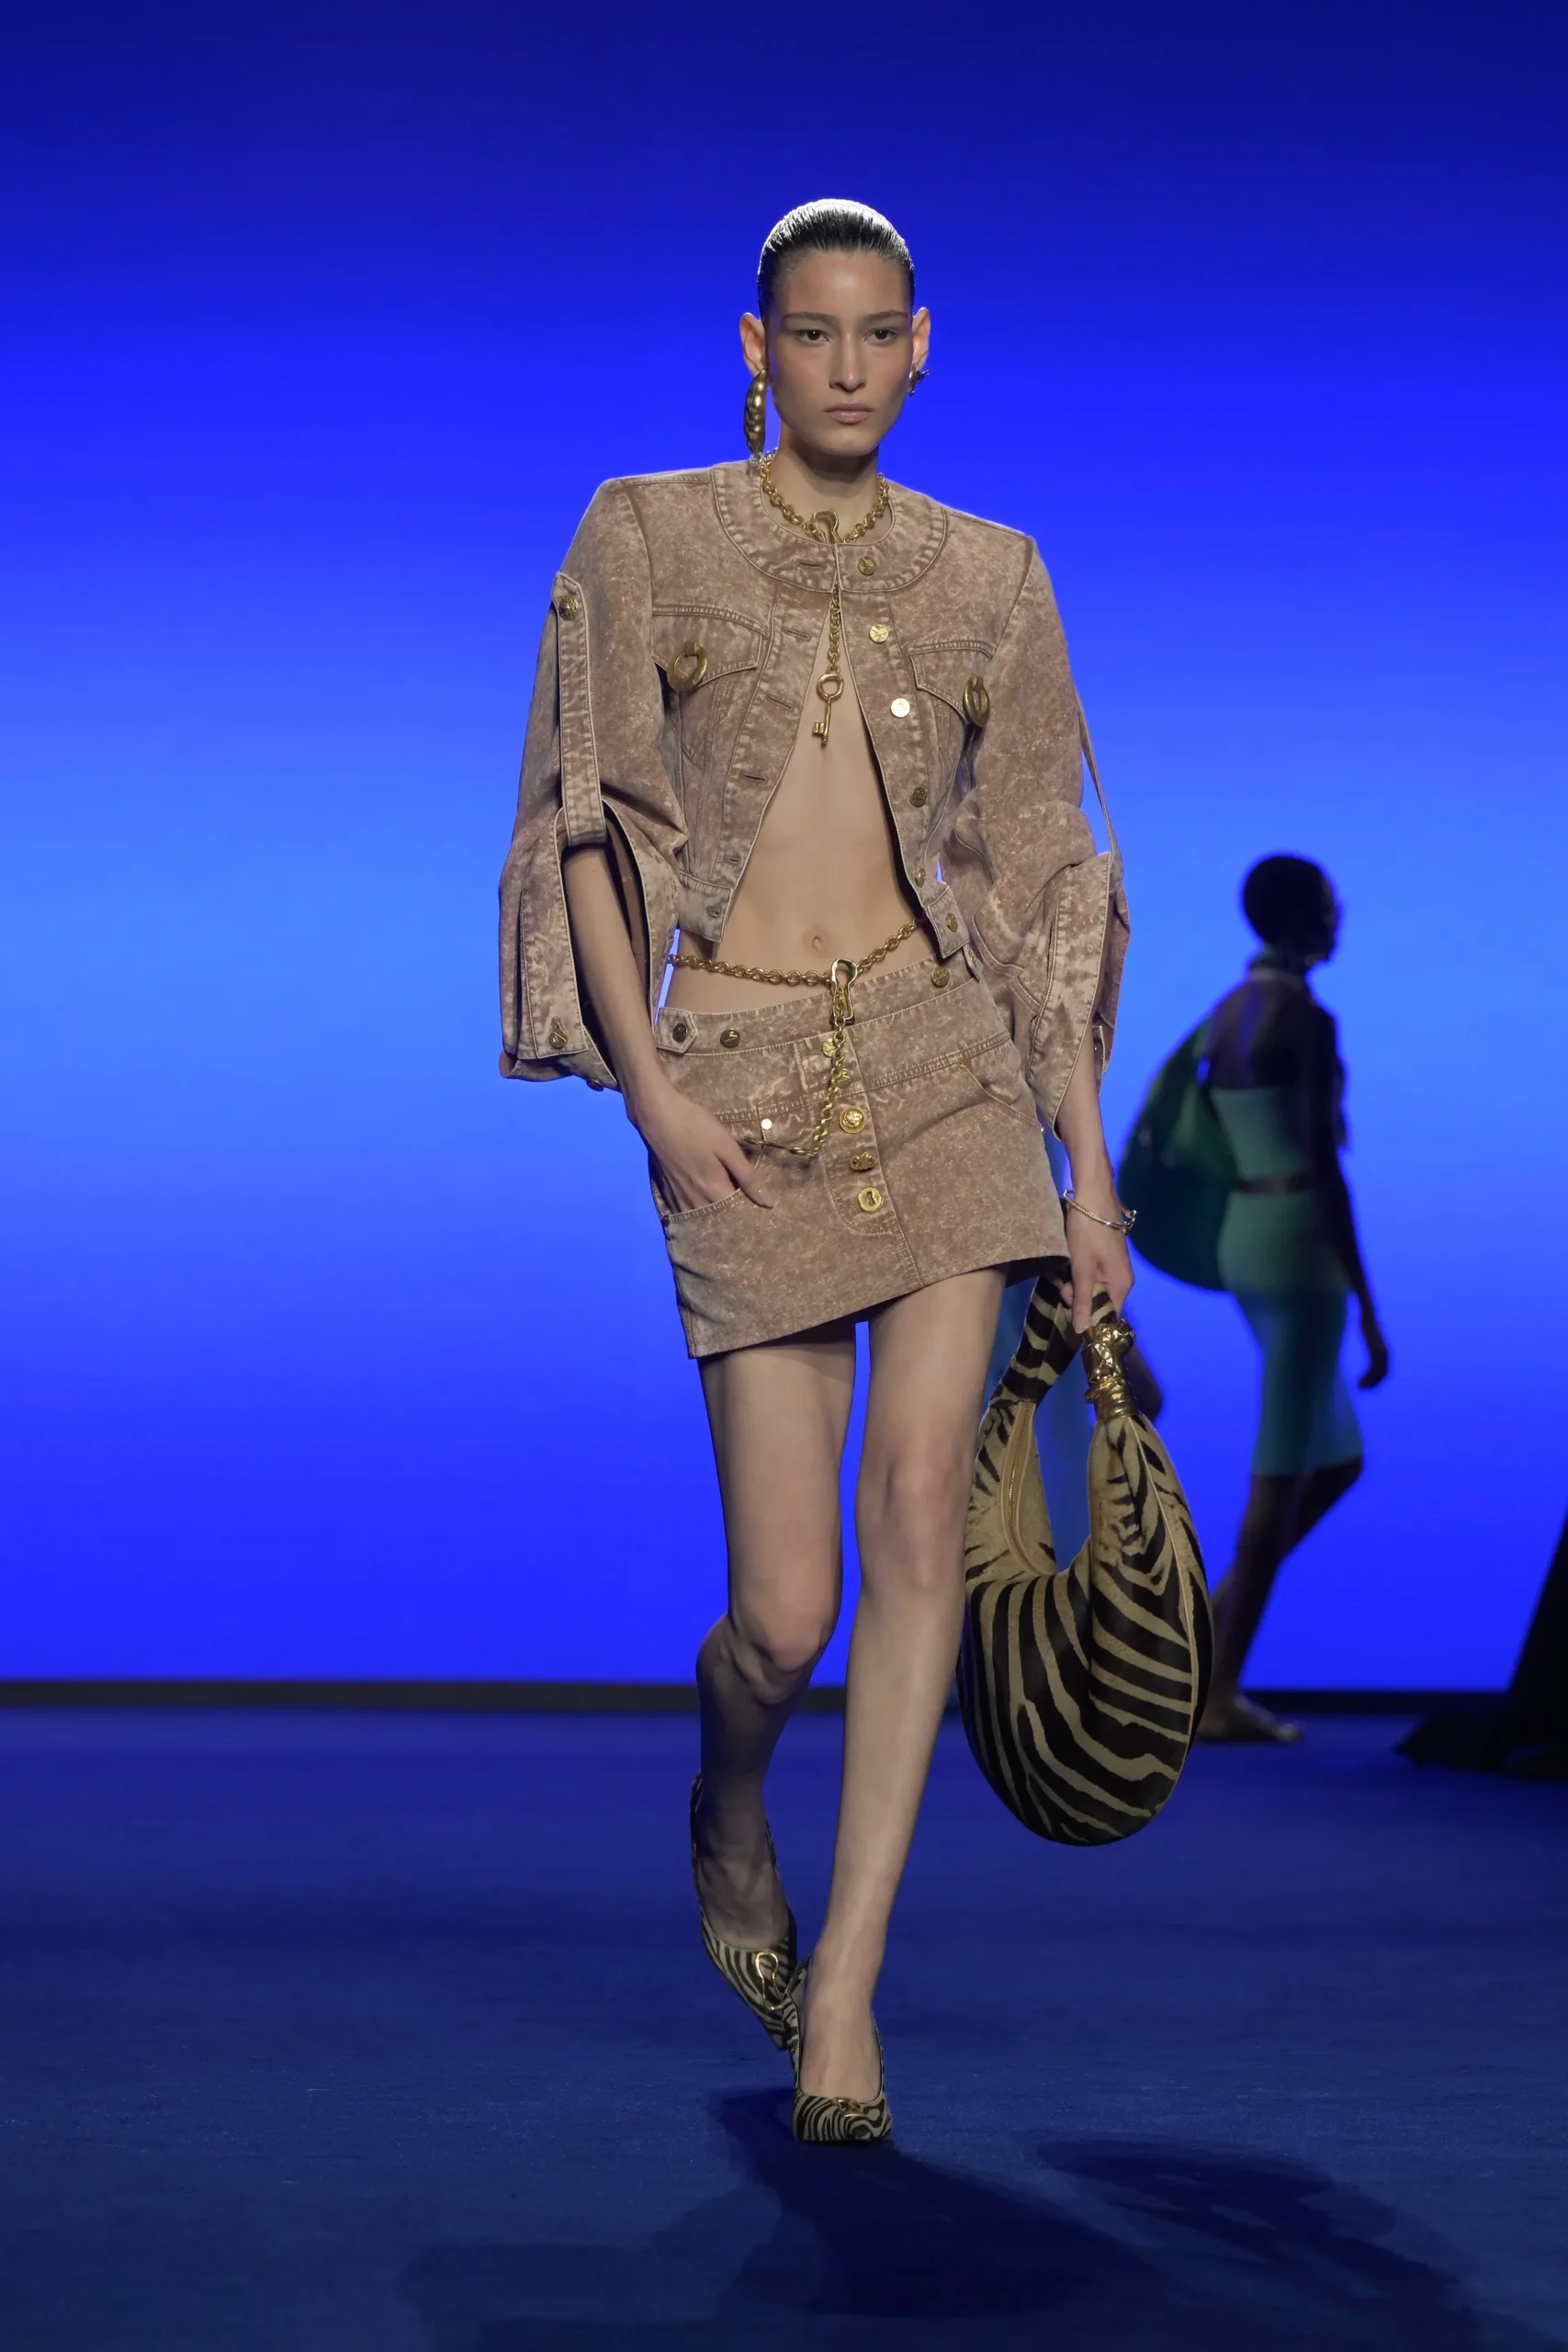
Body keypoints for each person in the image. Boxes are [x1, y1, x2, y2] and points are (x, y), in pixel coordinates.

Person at [498, 200, 1133, 2141]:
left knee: (922, 1507)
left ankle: (846, 1979)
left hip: (944, 1074)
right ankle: (726, 1798)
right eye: (813, 332)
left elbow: (1040, 878)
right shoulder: (643, 530)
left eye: (877, 334)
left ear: (920, 347)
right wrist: (649, 1094)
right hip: (739, 1087)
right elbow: (590, 823)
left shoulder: (992, 569)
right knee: (781, 1614)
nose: (846, 365)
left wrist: (1086, 1172)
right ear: (756, 344)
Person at [1197, 854, 1390, 1743]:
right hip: (1298, 1241)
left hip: (1245, 1236)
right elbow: (1323, 1166)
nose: (1338, 915)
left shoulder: (1226, 1011)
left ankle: (1201, 1638)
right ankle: (1214, 1693)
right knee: (1279, 1472)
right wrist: (1369, 1305)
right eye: (1328, 903)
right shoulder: (1305, 1019)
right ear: (1305, 917)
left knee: (1331, 1463)